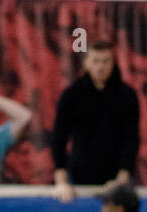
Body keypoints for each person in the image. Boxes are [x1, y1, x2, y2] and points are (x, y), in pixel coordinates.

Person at [52, 40, 141, 203]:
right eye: (96, 61)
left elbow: (131, 139)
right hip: (79, 176)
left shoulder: (127, 96)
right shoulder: (72, 94)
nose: (101, 67)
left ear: (113, 63)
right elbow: (59, 138)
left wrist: (122, 178)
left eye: (106, 61)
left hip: (116, 176)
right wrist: (61, 182)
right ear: (86, 63)